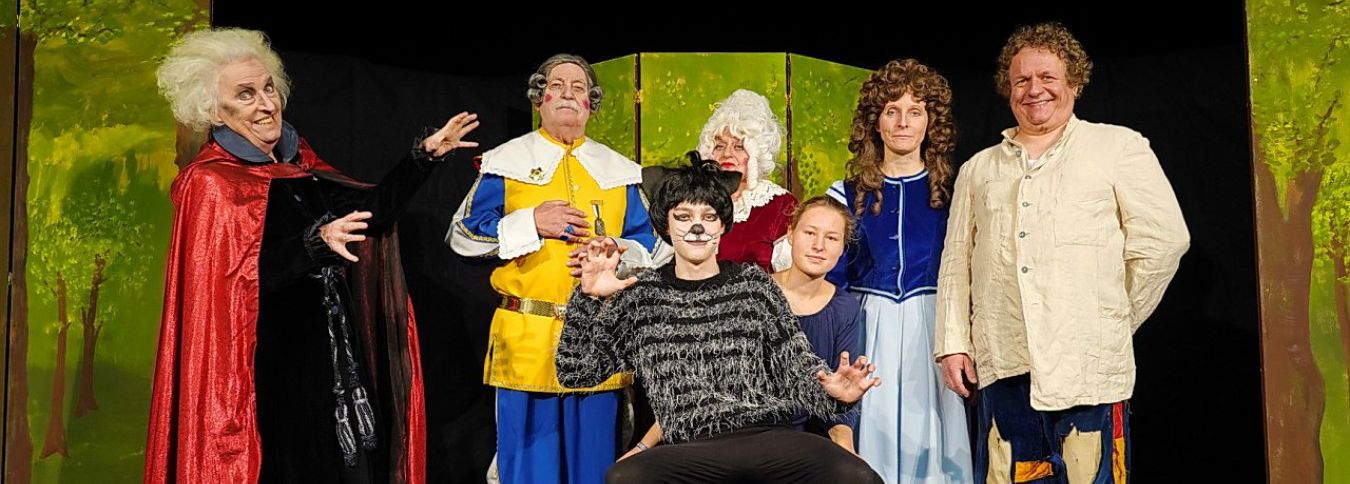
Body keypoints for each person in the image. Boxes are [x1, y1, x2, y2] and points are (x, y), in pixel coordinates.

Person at [146, 28, 477, 483]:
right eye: (245, 95)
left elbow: (371, 213)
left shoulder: (299, 164)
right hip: (266, 369)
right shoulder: (210, 183)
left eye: (268, 88)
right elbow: (231, 284)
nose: (267, 104)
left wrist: (423, 157)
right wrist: (313, 244)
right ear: (214, 111)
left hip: (331, 353)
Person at [934, 22, 1190, 483]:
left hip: (1088, 368)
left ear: (1074, 81)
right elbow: (956, 264)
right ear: (1008, 89)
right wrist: (953, 343)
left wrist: (1113, 317)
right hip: (1005, 361)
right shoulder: (979, 169)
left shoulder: (1117, 147)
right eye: (1021, 80)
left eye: (1047, 77)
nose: (1034, 90)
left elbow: (1165, 240)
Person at [558, 153, 883, 483]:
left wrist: (834, 395)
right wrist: (587, 298)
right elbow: (576, 371)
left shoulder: (753, 285)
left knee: (855, 474)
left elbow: (796, 366)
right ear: (666, 224)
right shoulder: (641, 295)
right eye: (684, 216)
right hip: (690, 448)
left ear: (722, 224)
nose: (697, 227)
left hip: (766, 437)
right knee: (624, 477)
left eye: (709, 216)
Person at [447, 54, 660, 483]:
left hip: (599, 339)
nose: (567, 93)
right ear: (538, 99)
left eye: (578, 88)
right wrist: (532, 222)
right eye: (556, 85)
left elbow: (655, 247)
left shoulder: (619, 172)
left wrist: (616, 250)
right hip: (528, 341)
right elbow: (462, 235)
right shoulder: (506, 162)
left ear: (591, 105)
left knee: (594, 469)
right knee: (530, 470)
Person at [826, 58, 971, 482]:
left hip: (935, 328)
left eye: (915, 111)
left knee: (935, 442)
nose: (903, 122)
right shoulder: (844, 195)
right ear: (876, 121)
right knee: (874, 437)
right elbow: (831, 279)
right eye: (892, 110)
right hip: (868, 329)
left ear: (931, 122)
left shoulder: (956, 193)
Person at [771, 196, 864, 452]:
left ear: (843, 248)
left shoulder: (844, 307)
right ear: (791, 234)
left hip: (812, 438)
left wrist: (847, 451)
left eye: (831, 238)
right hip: (752, 435)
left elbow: (840, 399)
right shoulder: (753, 293)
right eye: (810, 233)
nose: (818, 246)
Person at [697, 89, 797, 272]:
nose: (727, 154)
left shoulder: (780, 205)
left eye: (739, 146)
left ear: (757, 153)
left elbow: (789, 277)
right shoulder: (691, 198)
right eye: (719, 146)